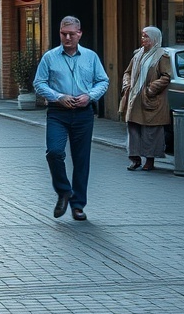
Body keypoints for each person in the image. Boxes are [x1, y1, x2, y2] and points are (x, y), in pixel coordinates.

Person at [33, 16, 109, 222]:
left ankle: (78, 205)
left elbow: (103, 81)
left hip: (84, 113)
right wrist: (58, 96)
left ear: (79, 34)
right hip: (58, 112)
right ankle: (64, 191)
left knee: (81, 160)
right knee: (54, 152)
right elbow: (39, 83)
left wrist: (89, 96)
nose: (67, 38)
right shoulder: (50, 57)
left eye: (71, 34)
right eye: (63, 34)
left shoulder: (91, 57)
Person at [120, 26, 172, 171]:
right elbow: (127, 72)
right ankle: (135, 158)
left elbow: (166, 76)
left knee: (151, 131)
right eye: (142, 36)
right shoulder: (138, 54)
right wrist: (127, 84)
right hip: (135, 97)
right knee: (133, 128)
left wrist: (151, 89)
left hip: (151, 99)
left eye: (146, 36)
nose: (143, 39)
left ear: (154, 38)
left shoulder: (162, 55)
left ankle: (150, 160)